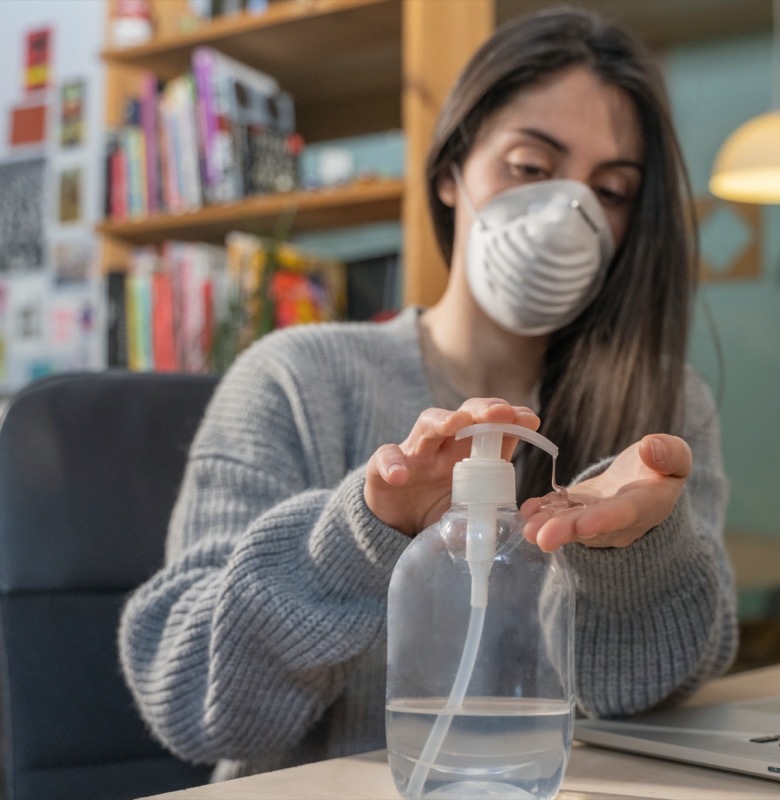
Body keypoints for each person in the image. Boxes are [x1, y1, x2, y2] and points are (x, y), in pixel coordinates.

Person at [119, 6, 737, 782]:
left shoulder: (662, 409)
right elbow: (189, 702)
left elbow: (655, 703)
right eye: (531, 168)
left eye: (610, 190)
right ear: (450, 173)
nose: (568, 214)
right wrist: (361, 533)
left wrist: (638, 556)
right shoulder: (297, 380)